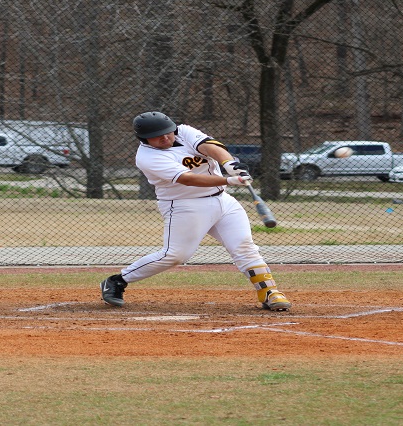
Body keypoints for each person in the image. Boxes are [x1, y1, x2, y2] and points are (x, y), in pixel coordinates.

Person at [100, 112, 292, 311]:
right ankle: (117, 280)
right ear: (143, 139)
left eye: (167, 132)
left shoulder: (183, 131)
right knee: (175, 255)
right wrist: (228, 179)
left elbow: (210, 146)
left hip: (223, 201)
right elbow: (188, 178)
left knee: (244, 246)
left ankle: (269, 292)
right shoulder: (147, 157)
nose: (165, 137)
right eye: (157, 136)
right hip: (185, 205)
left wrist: (229, 164)